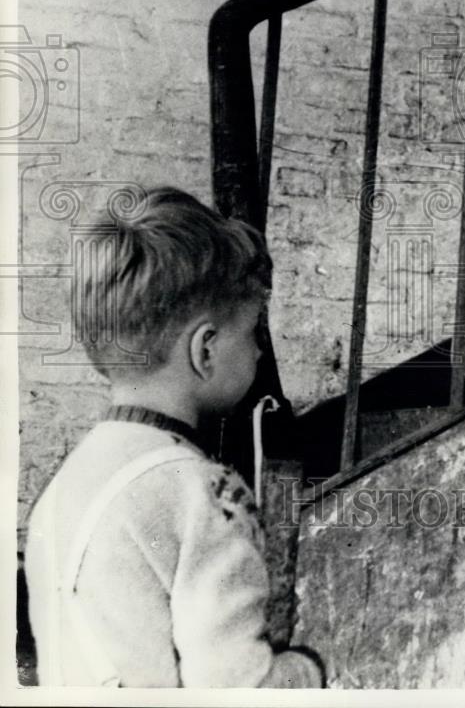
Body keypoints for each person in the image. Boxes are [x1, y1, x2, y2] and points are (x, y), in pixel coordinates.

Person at [24, 187, 324, 688]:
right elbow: (236, 689)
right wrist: (311, 669)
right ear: (205, 350)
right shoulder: (204, 493)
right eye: (253, 332)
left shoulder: (59, 491)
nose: (256, 354)